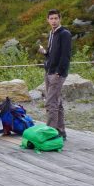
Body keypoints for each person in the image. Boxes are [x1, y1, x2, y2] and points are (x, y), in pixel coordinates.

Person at [38, 8, 72, 138]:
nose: (53, 21)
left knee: (50, 102)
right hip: (49, 70)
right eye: (51, 19)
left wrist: (59, 72)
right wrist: (45, 53)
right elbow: (53, 53)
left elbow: (66, 55)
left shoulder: (65, 34)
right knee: (57, 102)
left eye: (56, 18)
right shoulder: (52, 33)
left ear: (60, 19)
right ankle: (60, 131)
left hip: (57, 73)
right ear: (47, 20)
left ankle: (50, 133)